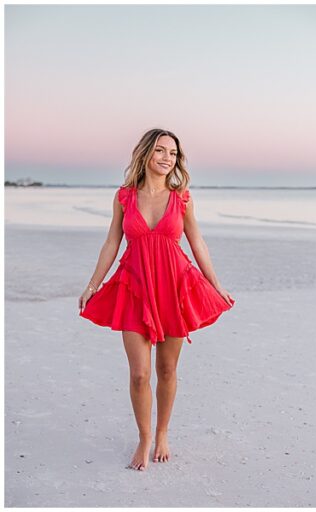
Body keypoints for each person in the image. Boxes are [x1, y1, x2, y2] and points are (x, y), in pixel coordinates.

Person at [79, 128, 234, 471]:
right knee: (139, 374)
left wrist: (216, 284)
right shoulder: (124, 197)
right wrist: (92, 285)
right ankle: (144, 436)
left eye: (173, 153)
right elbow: (111, 243)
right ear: (146, 153)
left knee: (167, 369)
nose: (167, 158)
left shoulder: (183, 199)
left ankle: (163, 432)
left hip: (174, 288)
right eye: (161, 150)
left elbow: (198, 244)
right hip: (134, 287)